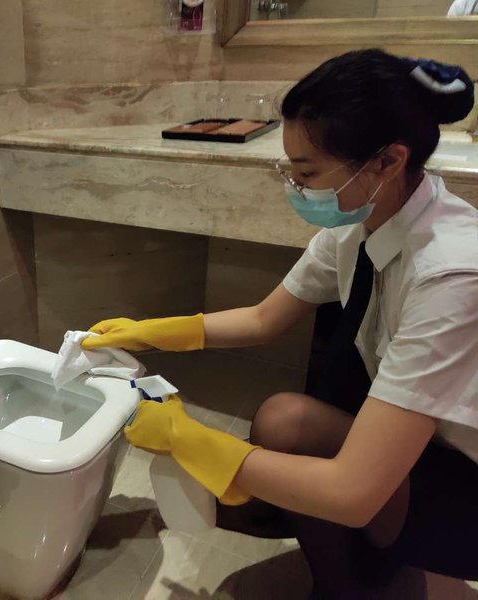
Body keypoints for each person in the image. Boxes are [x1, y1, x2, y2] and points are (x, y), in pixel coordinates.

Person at [81, 49, 478, 597]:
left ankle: (352, 586)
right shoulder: (365, 220)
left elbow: (352, 491)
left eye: (308, 171)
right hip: (423, 445)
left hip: (466, 483)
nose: (295, 185)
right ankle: (356, 561)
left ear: (388, 160)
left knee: (294, 471)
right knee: (284, 424)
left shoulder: (451, 276)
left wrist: (192, 440)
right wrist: (151, 331)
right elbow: (263, 319)